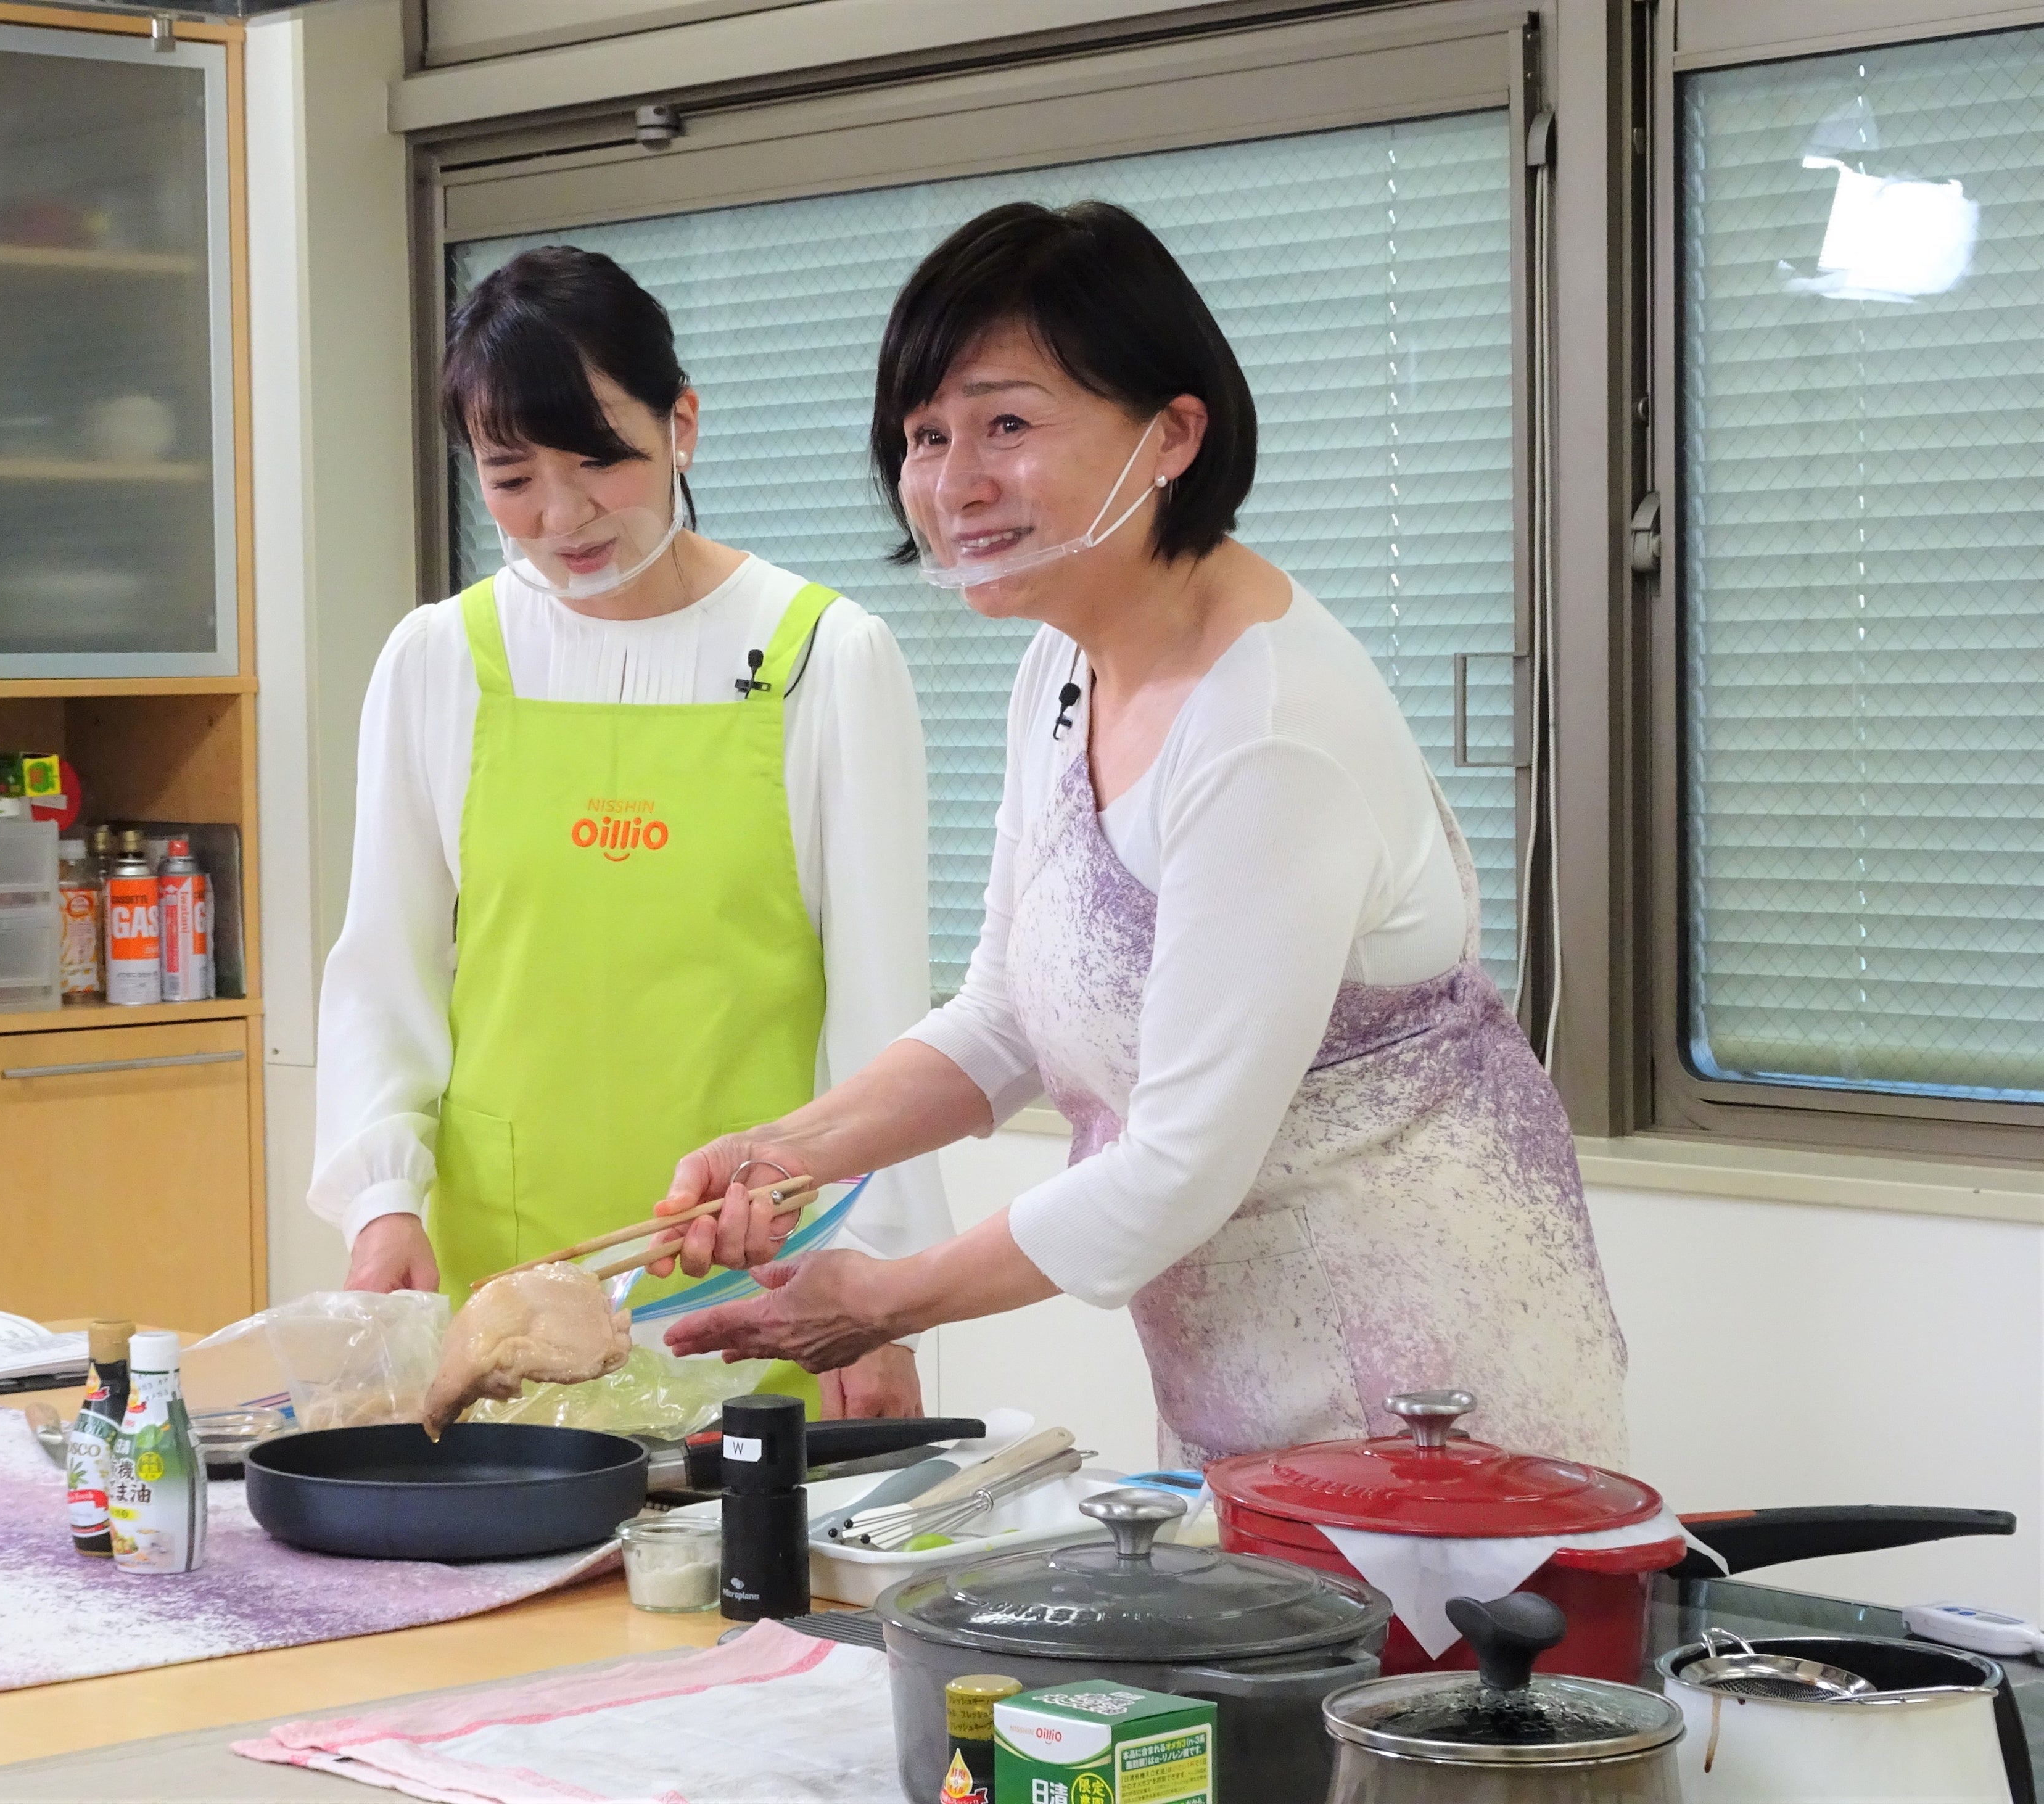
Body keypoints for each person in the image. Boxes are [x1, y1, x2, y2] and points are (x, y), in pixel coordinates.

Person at [658, 202, 1629, 1466]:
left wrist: (886, 1297)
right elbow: (1008, 1013)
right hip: (1240, 1390)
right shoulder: (1067, 666)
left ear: (1173, 432)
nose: (956, 482)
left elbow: (1177, 1164)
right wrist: (782, 1154)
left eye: (1009, 422)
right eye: (927, 434)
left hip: (1437, 1411)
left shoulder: (1266, 733)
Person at [308, 245, 950, 1419]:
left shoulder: (821, 656)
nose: (561, 516)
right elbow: (382, 972)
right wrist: (381, 1202)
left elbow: (881, 1018)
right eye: (510, 478)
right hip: (506, 1288)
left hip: (757, 1275)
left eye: (597, 458)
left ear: (682, 424)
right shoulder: (440, 661)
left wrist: (883, 1295)